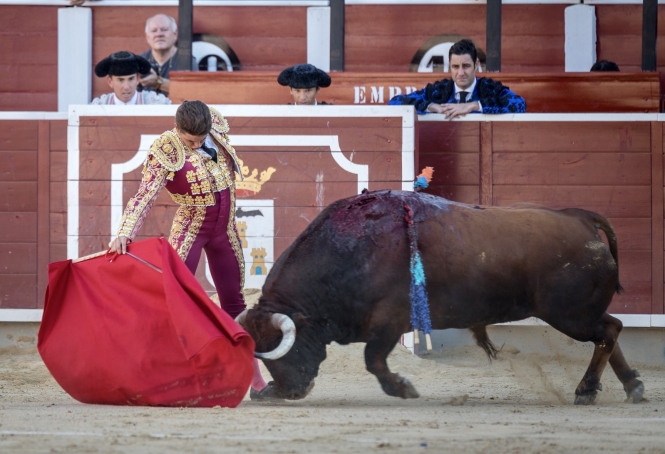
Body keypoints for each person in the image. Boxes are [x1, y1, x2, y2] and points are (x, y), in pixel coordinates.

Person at [108, 101, 271, 400]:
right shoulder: (165, 149)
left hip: (225, 232)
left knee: (235, 304)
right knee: (177, 304)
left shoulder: (217, 128)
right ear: (177, 129)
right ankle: (163, 376)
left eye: (200, 139)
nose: (196, 145)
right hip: (190, 230)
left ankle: (256, 382)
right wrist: (124, 232)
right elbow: (145, 194)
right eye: (189, 141)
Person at [389, 39, 526, 119]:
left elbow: (520, 104)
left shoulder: (489, 88)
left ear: (476, 64)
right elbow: (395, 102)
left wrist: (474, 105)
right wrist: (431, 106)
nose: (461, 73)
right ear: (450, 65)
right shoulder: (437, 91)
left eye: (466, 66)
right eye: (455, 66)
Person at [139, 14, 196, 97]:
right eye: (154, 31)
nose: (159, 34)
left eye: (164, 30)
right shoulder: (140, 61)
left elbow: (193, 91)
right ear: (147, 37)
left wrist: (157, 82)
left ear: (175, 35)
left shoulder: (188, 61)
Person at [91, 51, 171, 105]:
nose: (126, 87)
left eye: (131, 79)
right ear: (110, 81)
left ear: (137, 79)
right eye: (120, 80)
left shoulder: (156, 103)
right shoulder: (99, 105)